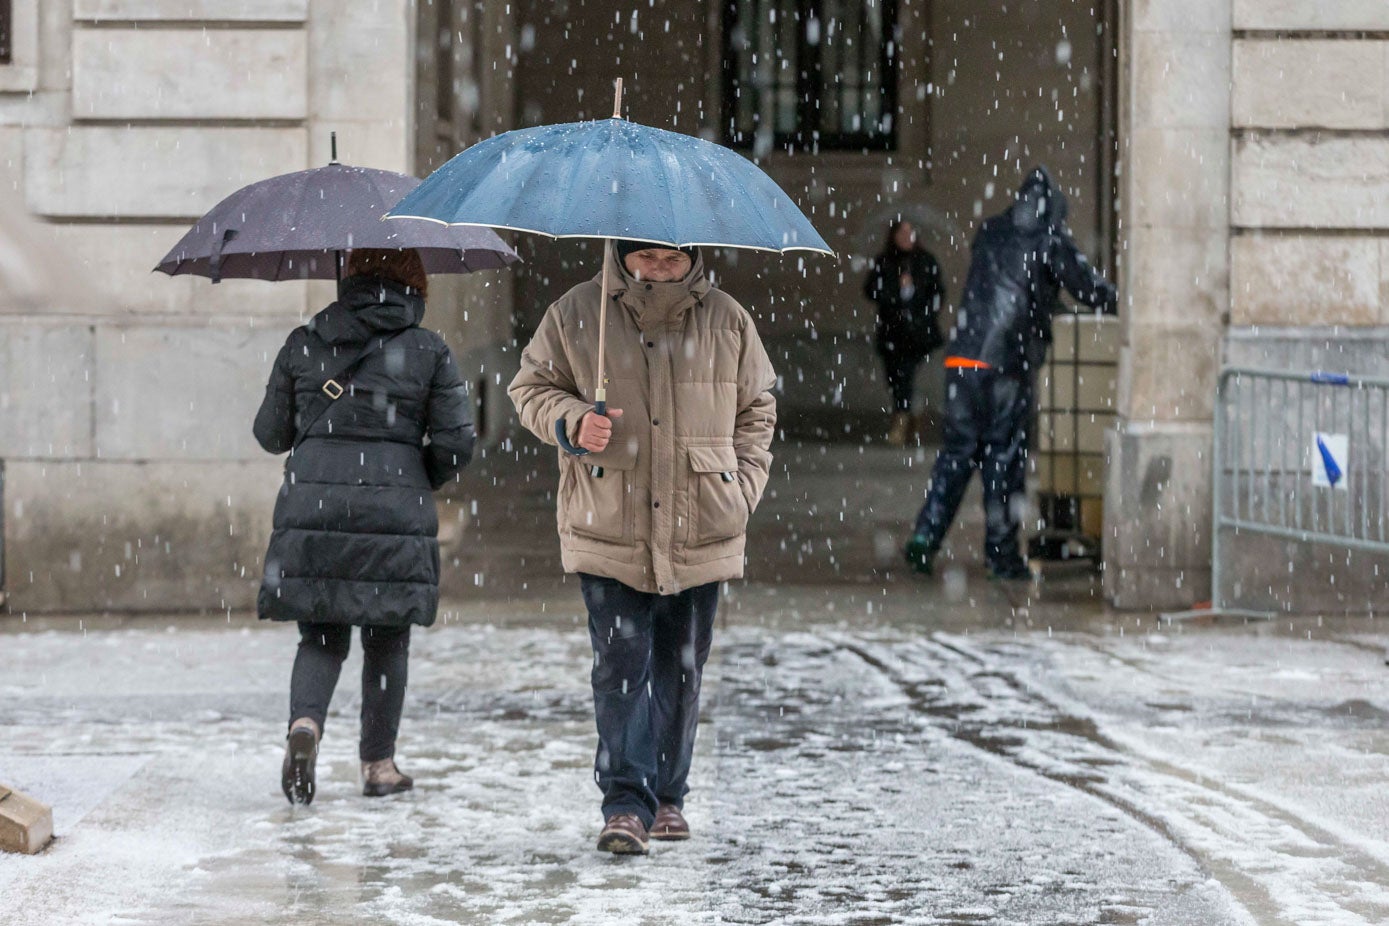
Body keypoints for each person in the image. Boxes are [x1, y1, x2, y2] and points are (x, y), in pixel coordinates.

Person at [509, 239, 776, 855]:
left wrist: (739, 487)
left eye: (672, 260)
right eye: (645, 259)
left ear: (695, 259)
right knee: (620, 668)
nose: (658, 271)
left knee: (680, 670)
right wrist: (572, 421)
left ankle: (669, 797)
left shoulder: (728, 319)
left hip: (701, 521)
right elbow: (530, 389)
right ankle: (626, 803)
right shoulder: (579, 312)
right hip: (610, 520)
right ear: (622, 255)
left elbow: (757, 410)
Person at [253, 248, 475, 804]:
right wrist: (415, 475)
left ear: (348, 280)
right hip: (395, 511)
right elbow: (457, 442)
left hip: (315, 509)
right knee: (386, 638)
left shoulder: (306, 341)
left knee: (321, 635)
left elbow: (270, 434)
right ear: (416, 285)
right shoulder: (429, 350)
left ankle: (305, 728)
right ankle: (378, 765)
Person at [904, 167, 1115, 580]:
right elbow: (1088, 288)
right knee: (1003, 457)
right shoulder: (1050, 238)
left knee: (957, 454)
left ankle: (925, 538)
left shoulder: (990, 231)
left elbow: (1004, 286)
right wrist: (1123, 302)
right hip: (1006, 363)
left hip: (963, 356)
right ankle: (1002, 555)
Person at [862, 219, 945, 446]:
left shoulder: (925, 262)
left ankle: (902, 421)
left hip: (917, 334)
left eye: (910, 233)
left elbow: (937, 293)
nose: (906, 237)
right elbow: (872, 290)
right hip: (893, 332)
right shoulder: (885, 261)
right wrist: (895, 294)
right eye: (902, 233)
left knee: (904, 376)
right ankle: (910, 416)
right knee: (895, 377)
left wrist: (920, 312)